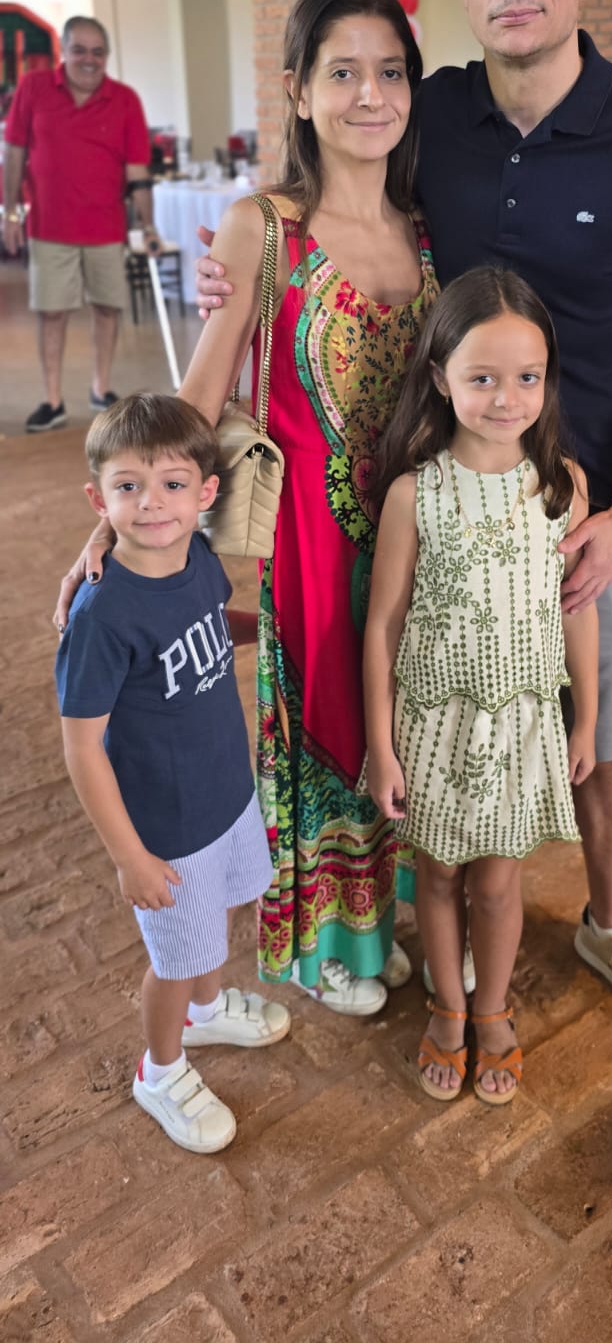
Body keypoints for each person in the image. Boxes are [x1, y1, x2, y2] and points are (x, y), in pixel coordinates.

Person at [189, 0, 612, 1048]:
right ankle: (426, 910)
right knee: (430, 717)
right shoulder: (430, 116)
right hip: (423, 513)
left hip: (577, 517)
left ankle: (608, 917)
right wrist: (236, 267)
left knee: (601, 737)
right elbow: (332, 188)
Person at [55, 0, 439, 1014]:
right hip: (312, 542)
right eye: (343, 71)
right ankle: (329, 947)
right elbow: (199, 396)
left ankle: (384, 919)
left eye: (391, 71)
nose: (371, 94)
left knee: (394, 724)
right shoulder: (263, 227)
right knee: (323, 732)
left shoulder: (427, 225)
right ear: (299, 91)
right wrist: (120, 520)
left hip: (412, 538)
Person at [365, 268, 598, 1104]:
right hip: (434, 721)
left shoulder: (563, 488)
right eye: (483, 377)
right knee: (435, 876)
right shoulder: (413, 494)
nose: (508, 398)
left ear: (548, 379)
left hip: (519, 723)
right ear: (440, 377)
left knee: (498, 881)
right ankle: (448, 1006)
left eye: (527, 377)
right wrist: (381, 744)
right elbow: (383, 625)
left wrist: (586, 720)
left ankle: (493, 1009)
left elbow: (578, 613)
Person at [56, 394, 290, 1154]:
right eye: (128, 487)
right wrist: (131, 856)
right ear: (99, 499)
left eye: (172, 485)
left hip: (224, 791)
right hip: (164, 825)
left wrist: (266, 632)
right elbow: (82, 746)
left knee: (215, 920)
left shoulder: (197, 557)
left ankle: (208, 1006)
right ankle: (161, 1067)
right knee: (172, 958)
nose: (151, 503)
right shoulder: (102, 613)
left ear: (206, 494)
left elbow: (211, 626)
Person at [2, 15, 162, 432]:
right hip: (50, 226)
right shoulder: (34, 88)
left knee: (107, 307)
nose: (88, 60)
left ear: (106, 56)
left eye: (97, 52)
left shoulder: (125, 99)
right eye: (79, 50)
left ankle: (100, 387)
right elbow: (15, 153)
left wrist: (148, 226)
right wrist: (11, 211)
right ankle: (52, 399)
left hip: (106, 226)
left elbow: (138, 171)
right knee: (51, 312)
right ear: (64, 52)